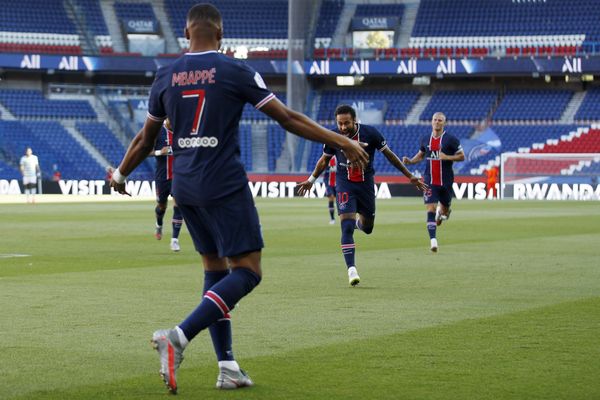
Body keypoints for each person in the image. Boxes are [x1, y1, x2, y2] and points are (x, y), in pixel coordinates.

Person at [109, 3, 368, 394]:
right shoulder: (233, 70)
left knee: (215, 272)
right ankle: (177, 337)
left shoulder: (165, 75)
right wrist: (341, 139)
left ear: (186, 32)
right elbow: (288, 118)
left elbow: (145, 139)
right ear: (221, 33)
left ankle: (227, 366)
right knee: (247, 271)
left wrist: (121, 172)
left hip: (186, 187)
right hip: (223, 183)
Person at [297, 105, 428, 286]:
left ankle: (360, 224)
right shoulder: (332, 136)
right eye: (339, 124)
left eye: (346, 123)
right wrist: (311, 180)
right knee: (346, 227)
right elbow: (324, 160)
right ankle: (351, 269)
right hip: (344, 184)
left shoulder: (370, 133)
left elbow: (390, 155)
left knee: (367, 228)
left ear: (354, 120)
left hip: (366, 185)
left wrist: (410, 175)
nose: (342, 128)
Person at [402, 112, 465, 252]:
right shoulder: (425, 139)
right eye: (435, 120)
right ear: (431, 122)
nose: (437, 122)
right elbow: (421, 154)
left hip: (446, 182)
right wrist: (410, 161)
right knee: (430, 208)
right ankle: (433, 241)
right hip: (429, 180)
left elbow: (462, 156)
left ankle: (441, 214)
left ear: (444, 123)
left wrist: (446, 157)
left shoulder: (451, 140)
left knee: (445, 211)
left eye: (440, 120)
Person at [152, 118, 184, 252]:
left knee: (179, 206)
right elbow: (145, 151)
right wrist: (160, 152)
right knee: (161, 206)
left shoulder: (182, 131)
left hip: (179, 176)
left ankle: (174, 240)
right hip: (162, 177)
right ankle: (159, 224)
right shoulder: (158, 132)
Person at [323, 155, 337, 224]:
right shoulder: (327, 156)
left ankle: (344, 217)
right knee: (331, 198)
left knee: (341, 201)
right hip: (329, 183)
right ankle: (332, 218)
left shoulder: (340, 157)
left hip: (339, 182)